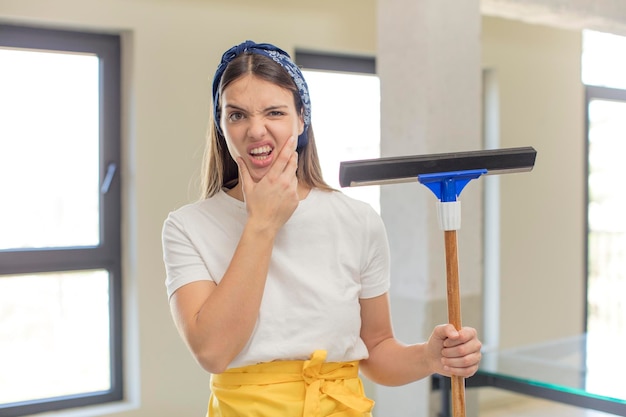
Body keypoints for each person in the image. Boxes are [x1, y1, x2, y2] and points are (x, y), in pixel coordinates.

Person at [162, 40, 482, 417]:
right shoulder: (187, 227)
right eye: (237, 115)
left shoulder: (358, 222)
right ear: (221, 124)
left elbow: (376, 349)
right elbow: (213, 352)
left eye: (274, 112)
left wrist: (429, 358)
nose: (255, 130)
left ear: (301, 119)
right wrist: (261, 223)